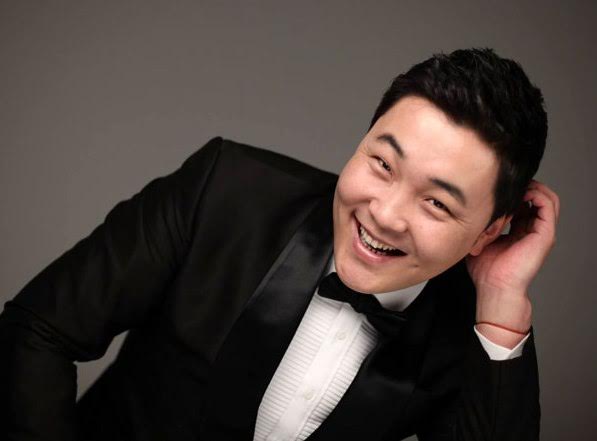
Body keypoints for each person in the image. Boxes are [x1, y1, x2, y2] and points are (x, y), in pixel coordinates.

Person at [0, 48, 559, 441]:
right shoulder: (226, 189)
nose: (385, 215)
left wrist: (501, 299)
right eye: (382, 164)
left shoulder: (469, 329)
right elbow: (40, 330)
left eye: (436, 203)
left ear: (488, 231)